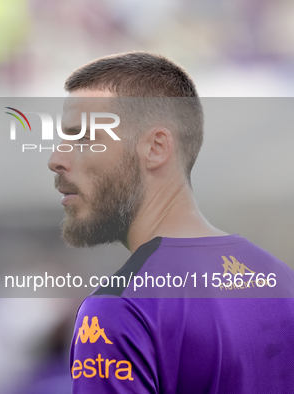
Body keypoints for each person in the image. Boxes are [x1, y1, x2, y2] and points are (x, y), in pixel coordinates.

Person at [48, 52, 294, 393]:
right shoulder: (282, 280)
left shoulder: (117, 310)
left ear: (156, 147)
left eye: (84, 138)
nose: (56, 159)